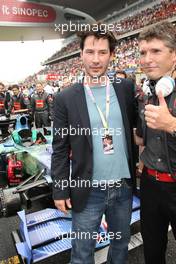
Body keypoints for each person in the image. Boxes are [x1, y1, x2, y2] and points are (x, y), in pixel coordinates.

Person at [51, 23, 137, 264]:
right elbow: (59, 148)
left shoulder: (126, 89)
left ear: (111, 55)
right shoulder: (65, 97)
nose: (96, 59)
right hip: (88, 190)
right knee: (82, 252)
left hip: (123, 188)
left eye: (102, 52)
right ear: (81, 54)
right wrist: (59, 188)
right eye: (90, 52)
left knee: (120, 245)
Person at [136, 21, 176, 264]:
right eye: (143, 53)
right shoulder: (145, 93)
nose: (147, 59)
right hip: (150, 185)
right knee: (152, 253)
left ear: (174, 55)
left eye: (156, 51)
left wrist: (171, 124)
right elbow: (141, 137)